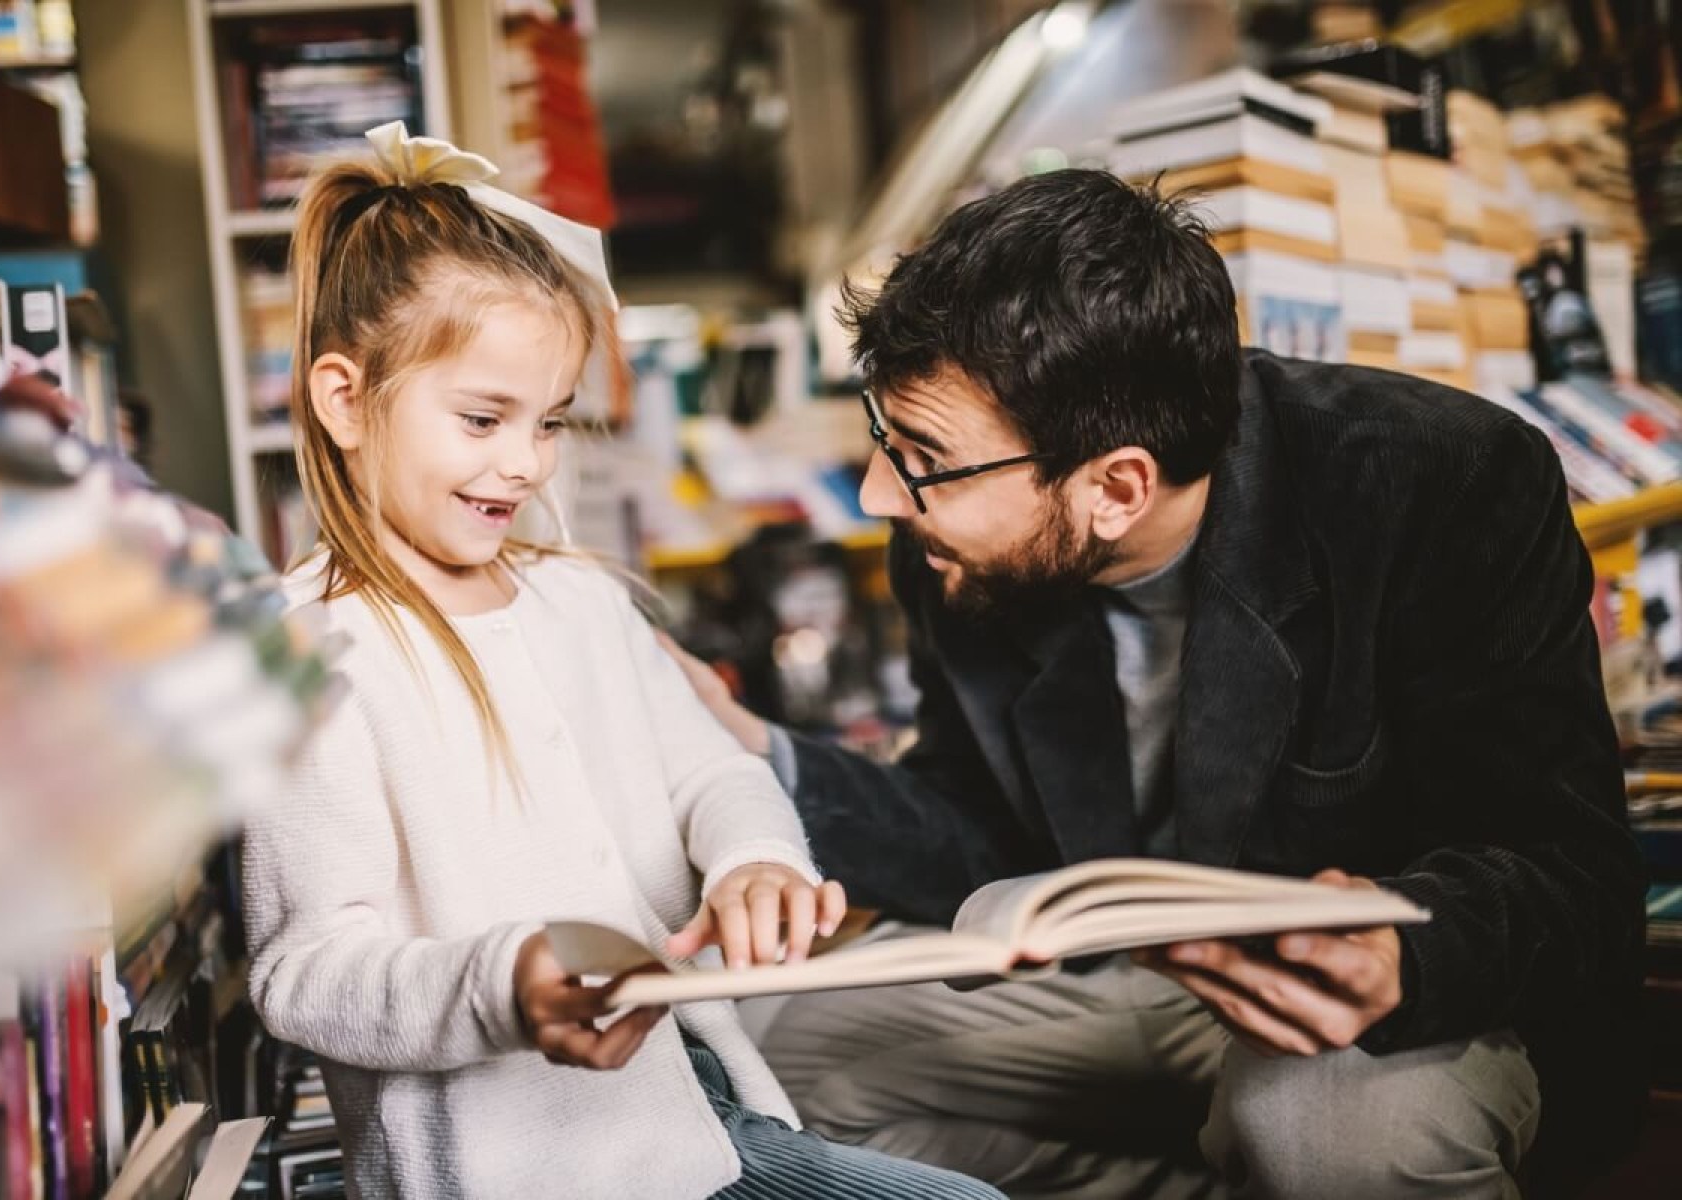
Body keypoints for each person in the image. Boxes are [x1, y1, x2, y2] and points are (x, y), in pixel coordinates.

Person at [667, 168, 1647, 1199]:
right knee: (765, 1056)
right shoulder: (957, 540)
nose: (878, 496)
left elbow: (1572, 872)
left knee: (1319, 1124)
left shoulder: (1439, 480)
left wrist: (1402, 948)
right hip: (1142, 985)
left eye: (919, 456)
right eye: (883, 436)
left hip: (1394, 1015)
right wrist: (744, 741)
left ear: (1115, 488)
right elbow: (976, 822)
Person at [239, 123, 1008, 1200]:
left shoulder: (584, 602)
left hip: (701, 1122)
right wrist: (505, 985)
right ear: (342, 399)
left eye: (548, 422)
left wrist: (755, 862)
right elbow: (306, 972)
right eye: (481, 418)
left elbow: (717, 774)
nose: (522, 462)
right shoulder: (311, 651)